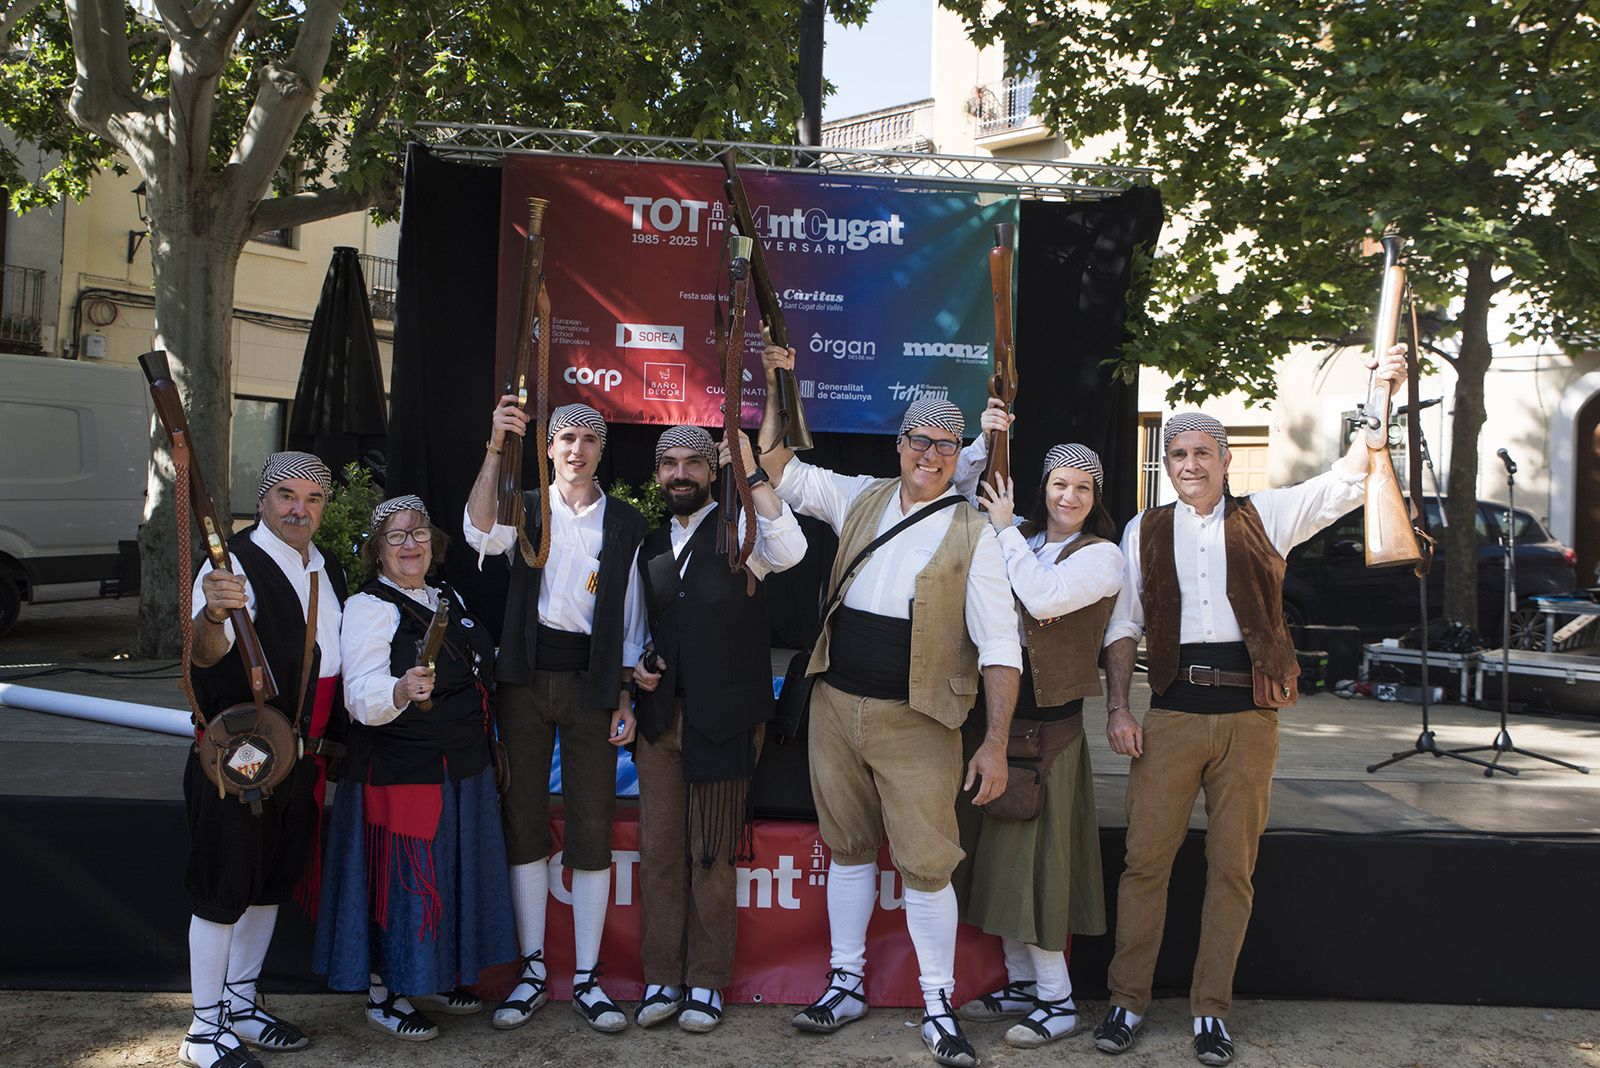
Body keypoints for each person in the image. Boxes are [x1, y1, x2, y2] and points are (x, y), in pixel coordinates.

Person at [1093, 347, 1408, 1066]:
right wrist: (1118, 706)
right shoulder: (1143, 530)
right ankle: (1126, 1002)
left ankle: (1210, 1012)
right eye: (1178, 453)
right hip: (1170, 713)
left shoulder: (1269, 514)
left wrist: (1379, 392)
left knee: (1233, 869)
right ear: (1166, 462)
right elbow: (1123, 626)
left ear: (1226, 457)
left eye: (1203, 451)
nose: (1190, 464)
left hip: (1249, 718)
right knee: (1146, 864)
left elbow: (1353, 477)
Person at [759, 344, 1023, 1068]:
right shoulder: (859, 496)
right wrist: (778, 384)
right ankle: (845, 981)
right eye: (920, 440)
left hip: (920, 720)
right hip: (837, 706)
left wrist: (994, 741)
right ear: (899, 443)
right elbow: (775, 462)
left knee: (926, 865)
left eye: (946, 444)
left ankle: (938, 1002)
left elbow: (1002, 647)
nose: (930, 454)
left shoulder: (978, 533)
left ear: (959, 453)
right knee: (846, 851)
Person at [464, 400, 646, 1034]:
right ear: (547, 447)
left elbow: (631, 619)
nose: (576, 450)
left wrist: (625, 695)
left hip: (593, 681)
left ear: (600, 450)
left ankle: (590, 978)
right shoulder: (524, 506)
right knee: (525, 822)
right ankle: (535, 971)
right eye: (565, 439)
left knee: (594, 820)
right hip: (525, 678)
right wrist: (494, 449)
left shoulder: (624, 521)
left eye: (587, 440)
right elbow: (477, 532)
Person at [948, 406, 1124, 1049]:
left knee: (1037, 870)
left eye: (1081, 487)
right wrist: (986, 437)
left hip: (1050, 733)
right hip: (998, 722)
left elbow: (1045, 597)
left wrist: (1003, 531)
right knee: (997, 864)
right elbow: (963, 491)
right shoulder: (1015, 531)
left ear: (1095, 497)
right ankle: (1024, 985)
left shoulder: (1103, 556)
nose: (1069, 496)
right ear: (1043, 487)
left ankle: (1057, 999)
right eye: (1058, 484)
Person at [624, 425, 808, 1033]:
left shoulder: (742, 532)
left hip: (725, 722)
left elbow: (792, 551)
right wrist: (638, 673)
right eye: (670, 464)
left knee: (710, 856)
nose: (681, 474)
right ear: (657, 475)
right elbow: (635, 630)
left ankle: (705, 981)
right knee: (659, 855)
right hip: (659, 722)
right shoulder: (647, 544)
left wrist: (750, 474)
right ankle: (660, 976)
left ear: (711, 471)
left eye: (694, 464)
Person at [314, 495, 517, 1040]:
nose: (411, 544)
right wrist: (399, 689)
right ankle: (386, 992)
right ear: (377, 551)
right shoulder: (368, 607)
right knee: (403, 882)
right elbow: (358, 694)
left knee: (446, 874)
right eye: (397, 536)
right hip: (400, 774)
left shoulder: (445, 595)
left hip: (461, 769)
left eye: (420, 533)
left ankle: (430, 975)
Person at [181, 451, 345, 1068]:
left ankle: (241, 1003)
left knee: (268, 884)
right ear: (264, 499)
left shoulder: (328, 571)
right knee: (224, 885)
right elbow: (201, 653)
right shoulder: (228, 567)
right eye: (287, 497)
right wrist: (216, 611)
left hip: (300, 757)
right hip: (240, 756)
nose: (300, 510)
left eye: (313, 500)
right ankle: (202, 1029)